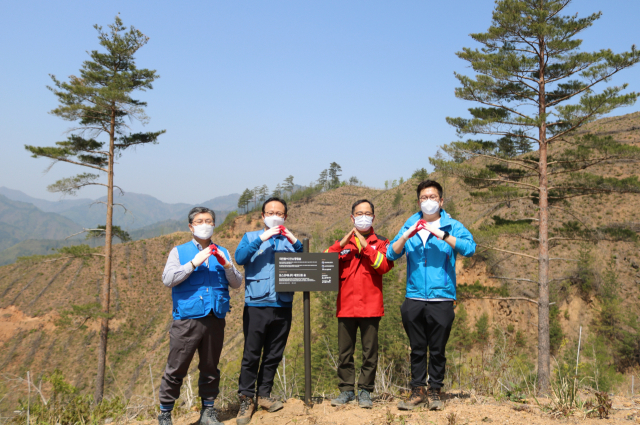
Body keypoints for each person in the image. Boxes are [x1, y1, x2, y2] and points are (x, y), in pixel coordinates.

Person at [387, 180, 476, 411]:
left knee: (437, 349)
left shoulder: (451, 225)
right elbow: (391, 253)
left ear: (441, 200)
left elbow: (470, 248)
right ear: (418, 201)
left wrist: (443, 235)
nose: (429, 201)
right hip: (414, 297)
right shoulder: (410, 224)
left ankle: (435, 390)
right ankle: (417, 391)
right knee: (416, 348)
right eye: (424, 198)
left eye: (433, 197)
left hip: (442, 298)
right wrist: (406, 236)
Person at [158, 207, 243, 425]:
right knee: (176, 367)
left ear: (214, 224)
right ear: (191, 226)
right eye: (199, 221)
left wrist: (226, 265)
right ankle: (165, 414)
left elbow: (236, 283)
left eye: (208, 220)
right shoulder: (179, 251)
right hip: (187, 320)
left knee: (210, 367)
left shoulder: (222, 251)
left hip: (215, 318)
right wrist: (194, 262)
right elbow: (168, 279)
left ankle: (208, 412)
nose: (204, 224)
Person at [234, 197, 303, 425]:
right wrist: (262, 238)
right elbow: (240, 257)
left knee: (274, 354)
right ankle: (246, 398)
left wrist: (294, 240)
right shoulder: (251, 238)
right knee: (251, 354)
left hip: (283, 304)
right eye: (270, 212)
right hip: (256, 304)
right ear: (262, 216)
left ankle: (264, 394)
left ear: (285, 217)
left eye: (280, 213)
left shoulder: (289, 242)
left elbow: (306, 262)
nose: (275, 215)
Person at [325, 199, 394, 409]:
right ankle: (346, 390)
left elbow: (384, 266)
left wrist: (366, 247)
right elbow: (325, 263)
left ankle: (365, 391)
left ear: (373, 217)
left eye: (367, 213)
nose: (363, 216)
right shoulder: (343, 244)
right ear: (352, 217)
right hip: (346, 307)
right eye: (359, 213)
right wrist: (342, 244)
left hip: (371, 307)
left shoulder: (382, 242)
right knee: (345, 352)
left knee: (369, 352)